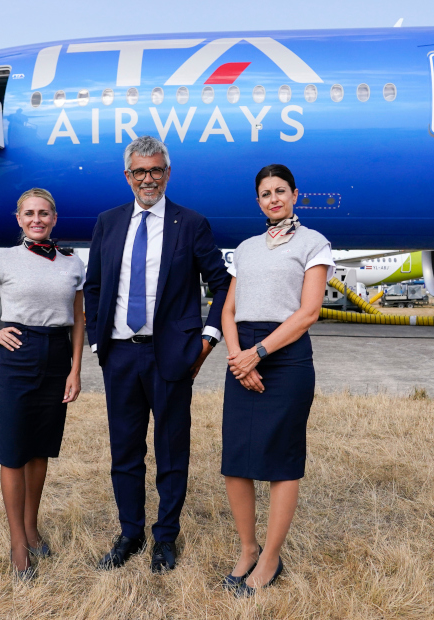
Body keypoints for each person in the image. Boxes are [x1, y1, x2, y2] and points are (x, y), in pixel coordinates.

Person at [84, 135, 230, 574]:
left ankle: (165, 537)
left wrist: (206, 340)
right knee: (125, 451)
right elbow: (93, 287)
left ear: (168, 173)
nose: (148, 178)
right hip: (120, 358)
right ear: (127, 176)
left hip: (171, 357)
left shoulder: (191, 223)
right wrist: (97, 341)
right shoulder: (107, 223)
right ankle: (130, 533)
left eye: (156, 170)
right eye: (140, 171)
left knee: (171, 451)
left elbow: (221, 284)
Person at [0, 188, 85, 577]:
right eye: (29, 213)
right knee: (13, 451)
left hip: (57, 353)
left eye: (44, 213)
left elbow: (79, 319)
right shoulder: (2, 259)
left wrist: (75, 369)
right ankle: (17, 542)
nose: (37, 219)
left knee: (40, 450)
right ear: (18, 219)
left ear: (54, 218)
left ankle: (32, 528)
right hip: (18, 354)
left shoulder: (72, 262)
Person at [220, 164, 333, 597]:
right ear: (258, 200)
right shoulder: (245, 248)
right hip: (241, 354)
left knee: (282, 461)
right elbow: (227, 310)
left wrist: (259, 353)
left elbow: (308, 313)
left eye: (280, 191)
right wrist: (238, 358)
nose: (273, 199)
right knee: (237, 460)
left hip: (284, 357)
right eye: (265, 193)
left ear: (295, 194)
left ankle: (270, 558)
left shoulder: (313, 243)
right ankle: (247, 549)